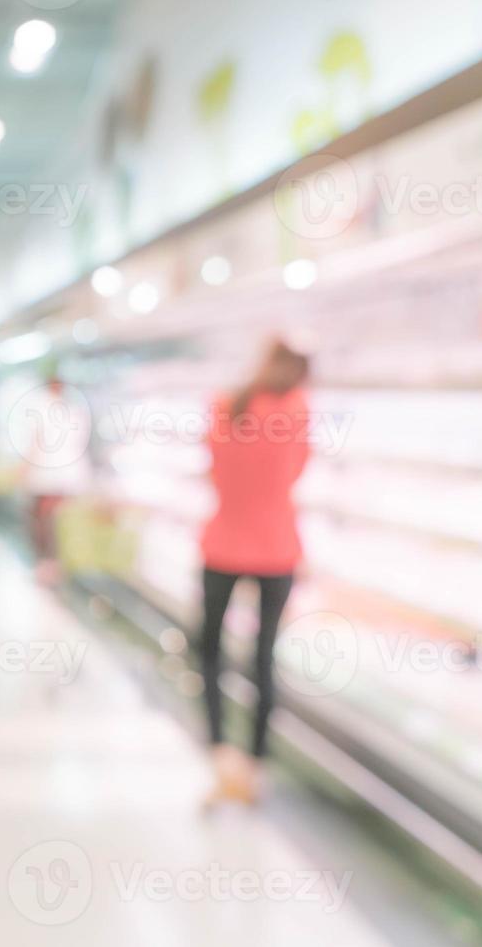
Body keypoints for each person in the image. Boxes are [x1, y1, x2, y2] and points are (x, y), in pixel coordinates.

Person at [197, 338, 311, 806]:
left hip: (223, 543)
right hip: (277, 547)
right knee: (263, 656)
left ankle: (222, 752)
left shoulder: (226, 405)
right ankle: (257, 762)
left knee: (209, 649)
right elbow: (296, 470)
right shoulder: (297, 409)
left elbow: (215, 471)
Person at [17, 374, 91, 584]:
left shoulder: (41, 407)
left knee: (44, 521)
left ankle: (47, 564)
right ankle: (56, 564)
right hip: (68, 477)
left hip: (47, 475)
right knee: (58, 522)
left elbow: (35, 442)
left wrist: (23, 470)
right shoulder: (74, 410)